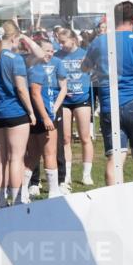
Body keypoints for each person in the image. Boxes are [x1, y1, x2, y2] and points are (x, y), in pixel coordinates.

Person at [82, 1, 133, 185]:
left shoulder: (100, 41)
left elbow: (84, 67)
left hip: (109, 105)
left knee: (115, 160)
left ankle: (115, 202)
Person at [0, 21, 38, 207]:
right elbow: (22, 90)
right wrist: (31, 111)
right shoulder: (15, 59)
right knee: (16, 158)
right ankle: (17, 200)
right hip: (15, 113)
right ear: (13, 38)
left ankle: (0, 201)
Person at [24, 39, 67, 201]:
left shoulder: (31, 67)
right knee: (49, 153)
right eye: (45, 50)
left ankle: (23, 190)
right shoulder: (37, 69)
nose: (49, 54)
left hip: (37, 115)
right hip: (41, 116)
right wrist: (46, 117)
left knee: (33, 154)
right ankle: (54, 191)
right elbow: (36, 94)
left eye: (51, 51)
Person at [55, 29, 94, 189]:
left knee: (85, 137)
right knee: (65, 138)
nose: (61, 44)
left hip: (81, 99)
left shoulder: (84, 54)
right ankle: (67, 174)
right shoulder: (57, 55)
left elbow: (95, 72)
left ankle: (86, 174)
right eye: (59, 41)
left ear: (73, 40)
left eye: (63, 41)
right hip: (64, 100)